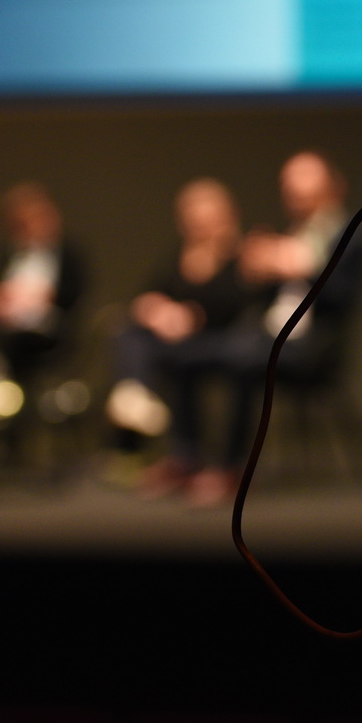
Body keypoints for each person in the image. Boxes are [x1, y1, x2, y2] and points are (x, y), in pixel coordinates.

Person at [105, 177, 253, 506]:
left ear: (226, 216)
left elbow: (234, 304)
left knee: (223, 360)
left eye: (206, 220)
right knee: (126, 330)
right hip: (179, 343)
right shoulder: (179, 256)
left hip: (222, 344)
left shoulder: (240, 255)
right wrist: (156, 311)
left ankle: (228, 468)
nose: (199, 228)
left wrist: (190, 317)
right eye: (192, 221)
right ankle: (136, 396)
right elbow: (147, 295)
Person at [221, 151, 357, 463]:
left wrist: (300, 267)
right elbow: (275, 295)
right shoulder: (299, 233)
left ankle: (229, 467)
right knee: (194, 353)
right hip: (271, 332)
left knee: (238, 358)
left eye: (303, 188)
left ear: (331, 188)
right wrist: (259, 267)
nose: (294, 196)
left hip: (313, 346)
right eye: (289, 189)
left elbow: (341, 296)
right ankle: (189, 457)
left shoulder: (348, 233)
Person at [0, 181, 86, 388]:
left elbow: (74, 293)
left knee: (27, 341)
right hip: (9, 327)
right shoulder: (8, 255)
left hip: (52, 327)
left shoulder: (69, 254)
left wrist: (44, 298)